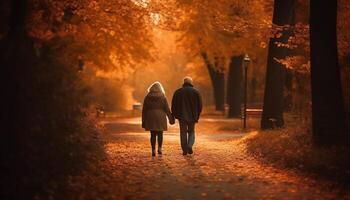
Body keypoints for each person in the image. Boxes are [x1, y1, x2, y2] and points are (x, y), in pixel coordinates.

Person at [142, 82, 175, 156]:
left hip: (150, 116)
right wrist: (171, 119)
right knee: (160, 133)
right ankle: (159, 148)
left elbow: (144, 110)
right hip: (160, 116)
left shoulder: (147, 97)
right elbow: (167, 109)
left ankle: (153, 150)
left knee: (152, 134)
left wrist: (143, 121)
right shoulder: (163, 97)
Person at [171, 77, 202, 155]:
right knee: (191, 131)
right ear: (191, 83)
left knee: (183, 132)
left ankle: (184, 149)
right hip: (192, 116)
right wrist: (197, 115)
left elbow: (173, 105)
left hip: (181, 116)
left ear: (184, 83)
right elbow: (200, 105)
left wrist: (174, 115)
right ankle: (189, 145)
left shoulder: (178, 92)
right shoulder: (196, 92)